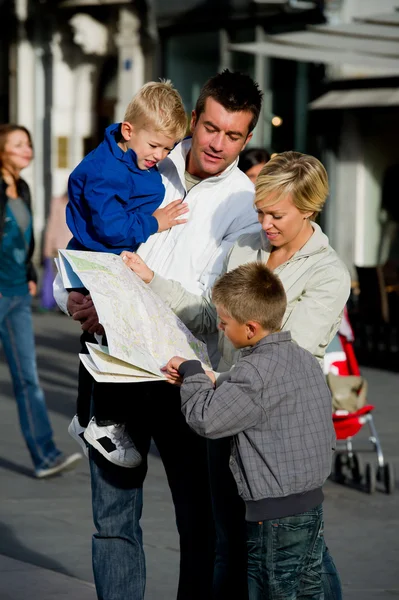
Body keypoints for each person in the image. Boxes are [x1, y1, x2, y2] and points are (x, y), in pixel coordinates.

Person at [53, 69, 263, 600]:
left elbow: (214, 307)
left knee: (199, 524)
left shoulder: (243, 203)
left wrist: (148, 291)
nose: (217, 143)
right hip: (110, 359)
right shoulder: (146, 151)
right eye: (211, 127)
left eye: (233, 135)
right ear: (193, 119)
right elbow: (84, 239)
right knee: (114, 519)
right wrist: (71, 296)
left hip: (182, 376)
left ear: (248, 138)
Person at [121, 150, 350, 600]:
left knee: (300, 556)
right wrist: (152, 281)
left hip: (278, 434)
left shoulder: (327, 273)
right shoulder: (246, 245)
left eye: (277, 214)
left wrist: (202, 378)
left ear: (308, 209)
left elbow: (287, 357)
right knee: (230, 546)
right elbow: (213, 315)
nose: (265, 223)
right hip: (227, 416)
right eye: (260, 210)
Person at [164, 262, 336, 599]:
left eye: (225, 323)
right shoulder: (300, 357)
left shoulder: (254, 371)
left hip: (272, 514)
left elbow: (206, 419)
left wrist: (193, 371)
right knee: (308, 587)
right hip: (309, 502)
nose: (220, 327)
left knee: (272, 588)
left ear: (251, 328)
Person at [65, 80, 188, 469]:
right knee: (108, 339)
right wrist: (154, 222)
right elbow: (110, 228)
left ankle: (86, 418)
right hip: (99, 259)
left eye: (168, 148)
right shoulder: (105, 171)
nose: (161, 155)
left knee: (100, 335)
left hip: (106, 259)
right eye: (155, 146)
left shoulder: (128, 158)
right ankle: (103, 422)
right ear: (129, 131)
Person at [0, 124, 82, 478]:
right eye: (18, 144)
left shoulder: (25, 189)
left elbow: (23, 241)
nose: (27, 149)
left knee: (27, 378)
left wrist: (31, 276)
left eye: (29, 144)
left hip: (17, 293)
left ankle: (44, 454)